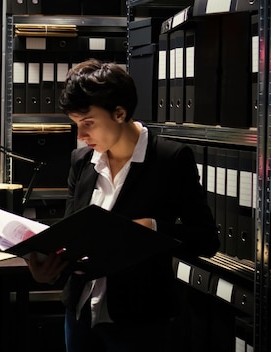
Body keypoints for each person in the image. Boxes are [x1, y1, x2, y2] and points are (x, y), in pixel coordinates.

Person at [26, 59, 219, 352]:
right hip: (79, 314)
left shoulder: (170, 159)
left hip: (139, 321)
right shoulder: (81, 161)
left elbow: (206, 239)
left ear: (119, 113)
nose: (80, 136)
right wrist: (46, 268)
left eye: (87, 123)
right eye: (76, 124)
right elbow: (72, 234)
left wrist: (153, 229)